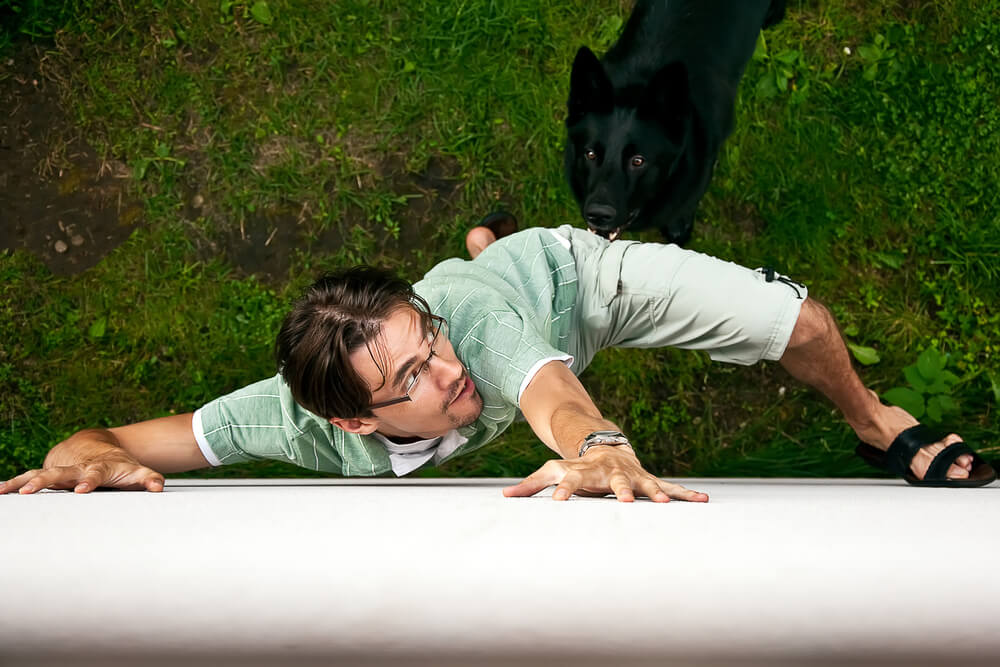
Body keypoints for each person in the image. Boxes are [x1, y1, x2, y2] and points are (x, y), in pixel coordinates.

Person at [2, 217, 995, 500]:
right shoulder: (286, 422)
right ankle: (486, 245)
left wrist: (597, 444)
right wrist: (78, 452)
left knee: (807, 326)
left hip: (569, 288)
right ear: (349, 421)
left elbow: (544, 385)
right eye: (409, 381)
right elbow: (97, 440)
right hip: (499, 292)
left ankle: (876, 428)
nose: (446, 377)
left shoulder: (468, 334)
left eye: (425, 342)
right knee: (482, 287)